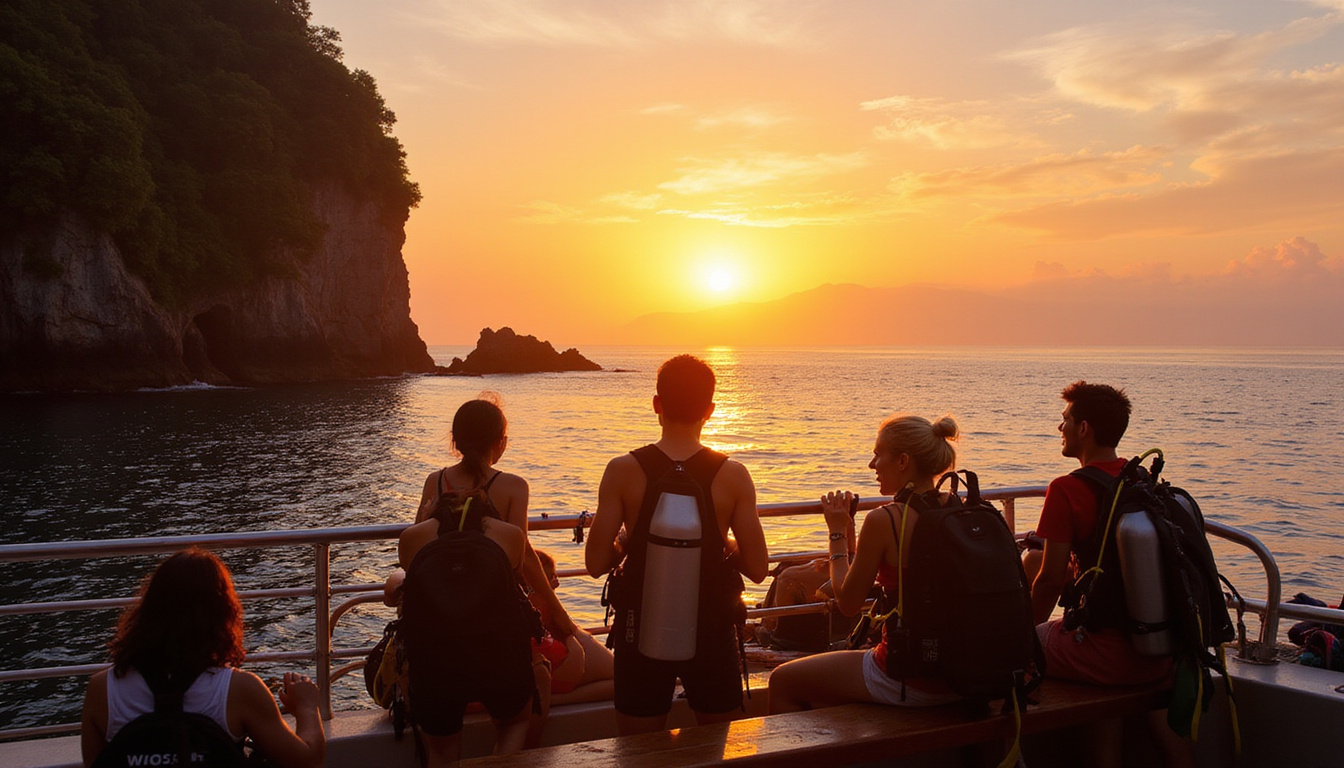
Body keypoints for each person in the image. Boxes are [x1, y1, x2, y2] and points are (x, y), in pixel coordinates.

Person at [585, 354, 769, 735]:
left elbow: (595, 562)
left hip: (639, 628)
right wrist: (718, 540)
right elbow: (757, 568)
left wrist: (627, 541)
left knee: (639, 752)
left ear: (657, 404)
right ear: (710, 410)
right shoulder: (733, 476)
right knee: (712, 747)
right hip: (712, 630)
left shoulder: (622, 470)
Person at [1025, 381, 1192, 768]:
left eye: (1065, 420)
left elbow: (1050, 580)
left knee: (1035, 642)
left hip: (1107, 659)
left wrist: (1022, 643)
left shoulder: (1066, 489)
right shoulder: (1141, 481)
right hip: (1157, 653)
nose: (1060, 427)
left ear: (1084, 428)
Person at [768, 414, 964, 713]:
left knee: (783, 680)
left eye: (878, 454)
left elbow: (847, 602)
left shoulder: (886, 519)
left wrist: (836, 532)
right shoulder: (960, 508)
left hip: (911, 677)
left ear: (903, 461)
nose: (872, 465)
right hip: (965, 670)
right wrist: (851, 539)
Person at [80, 548, 325, 768]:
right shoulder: (239, 690)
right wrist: (306, 707)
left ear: (147, 609)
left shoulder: (102, 689)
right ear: (225, 613)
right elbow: (308, 762)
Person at [384, 395, 577, 636]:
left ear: (455, 441)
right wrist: (559, 612)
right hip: (492, 612)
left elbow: (418, 551)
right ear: (500, 442)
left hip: (437, 610)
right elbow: (522, 558)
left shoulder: (435, 481)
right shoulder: (514, 486)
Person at [397, 474, 539, 766]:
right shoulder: (511, 534)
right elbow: (515, 577)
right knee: (513, 722)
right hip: (498, 656)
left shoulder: (412, 537)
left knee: (441, 751)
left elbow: (409, 581)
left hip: (436, 662)